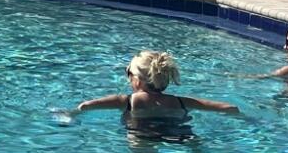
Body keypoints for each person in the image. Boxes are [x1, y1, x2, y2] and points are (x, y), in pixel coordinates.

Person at [63, 49, 240, 138]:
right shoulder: (181, 102)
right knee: (193, 143)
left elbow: (86, 106)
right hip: (176, 130)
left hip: (141, 132)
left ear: (136, 80)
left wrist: (69, 115)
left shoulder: (126, 101)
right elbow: (229, 108)